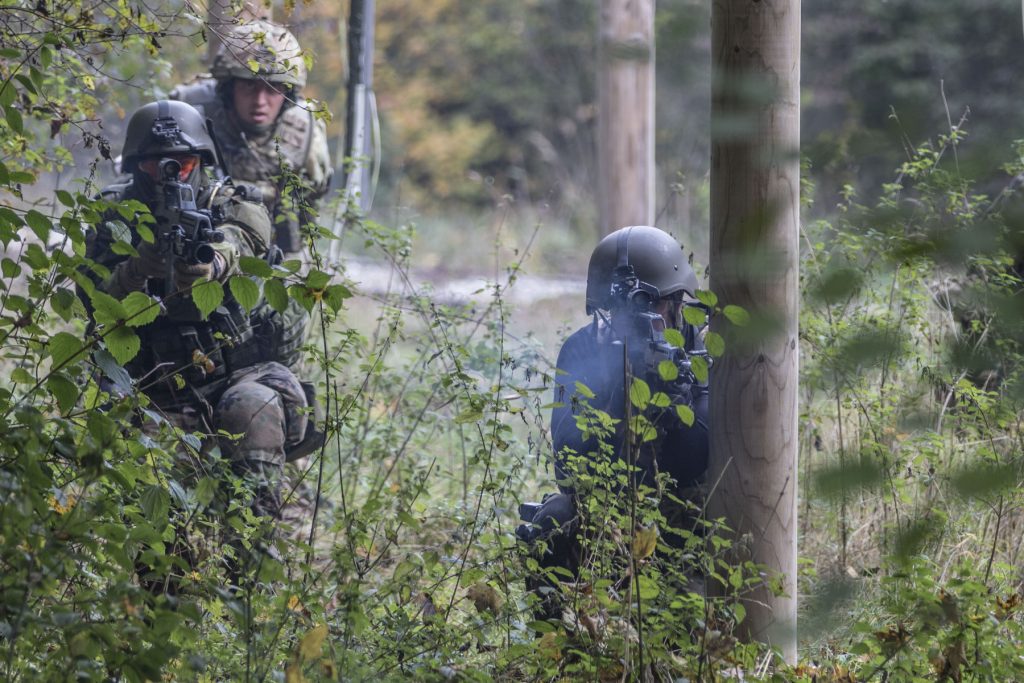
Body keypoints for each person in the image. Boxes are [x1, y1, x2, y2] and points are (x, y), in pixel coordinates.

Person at [82, 100, 311, 576]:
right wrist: (137, 269)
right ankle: (164, 601)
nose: (171, 173)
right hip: (152, 385)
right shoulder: (112, 216)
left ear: (202, 161)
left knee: (254, 407)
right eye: (156, 163)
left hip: (235, 373)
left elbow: (240, 238)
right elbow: (94, 302)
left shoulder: (234, 202)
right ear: (136, 165)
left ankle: (249, 579)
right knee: (157, 523)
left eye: (183, 163)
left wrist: (211, 264)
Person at [517, 225, 711, 617]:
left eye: (650, 307)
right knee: (553, 520)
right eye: (618, 311)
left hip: (689, 509)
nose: (633, 322)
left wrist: (678, 401)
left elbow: (700, 460)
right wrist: (615, 400)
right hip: (607, 508)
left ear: (677, 302)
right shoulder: (584, 350)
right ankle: (558, 648)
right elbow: (568, 471)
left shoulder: (701, 347)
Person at [170, 19, 333, 263]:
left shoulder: (304, 129)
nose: (260, 100)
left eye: (272, 89)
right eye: (249, 86)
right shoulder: (190, 112)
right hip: (196, 248)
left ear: (288, 93)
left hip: (274, 255)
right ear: (229, 87)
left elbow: (309, 212)